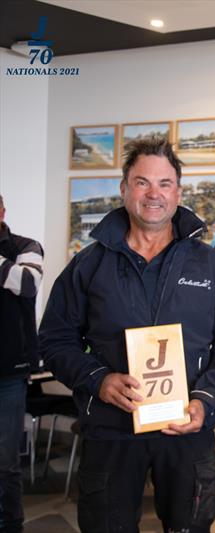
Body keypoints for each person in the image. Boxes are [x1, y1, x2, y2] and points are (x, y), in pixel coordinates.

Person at [38, 137, 215, 532]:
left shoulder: (210, 265)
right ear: (123, 189)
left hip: (187, 429)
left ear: (179, 192)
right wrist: (97, 380)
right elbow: (54, 339)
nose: (154, 194)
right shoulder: (88, 265)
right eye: (142, 182)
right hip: (111, 429)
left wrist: (204, 402)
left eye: (165, 183)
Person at [0, 194, 43, 533]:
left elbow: (27, 284)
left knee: (4, 463)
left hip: (8, 374)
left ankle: (10, 524)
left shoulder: (25, 246)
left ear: (1, 212)